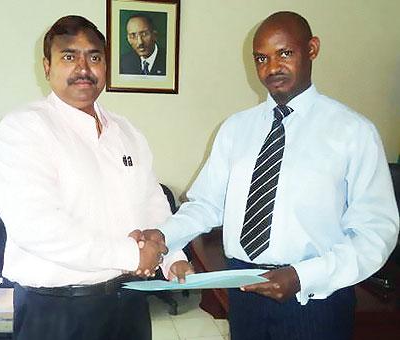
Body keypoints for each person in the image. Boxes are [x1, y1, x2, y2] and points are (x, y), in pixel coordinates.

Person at [141, 11, 399, 340]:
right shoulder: (235, 129)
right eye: (261, 58)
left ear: (312, 49)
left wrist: (303, 276)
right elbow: (206, 204)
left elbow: (375, 233)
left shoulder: (353, 132)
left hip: (314, 299)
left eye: (285, 53)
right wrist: (164, 236)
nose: (272, 67)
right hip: (243, 289)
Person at [0, 15, 191, 340]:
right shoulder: (22, 129)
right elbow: (39, 228)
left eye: (94, 57)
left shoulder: (127, 132)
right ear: (47, 66)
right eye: (69, 56)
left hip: (130, 303)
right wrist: (132, 254)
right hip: (55, 312)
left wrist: (172, 257)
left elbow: (152, 203)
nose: (84, 68)